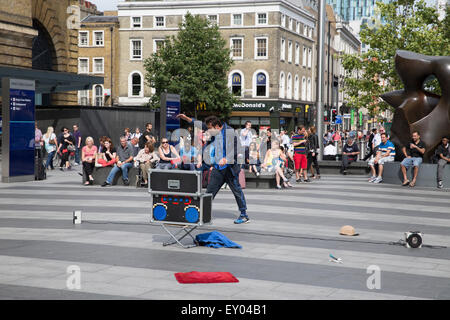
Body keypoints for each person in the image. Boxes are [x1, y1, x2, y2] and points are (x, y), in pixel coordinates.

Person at [177, 113, 249, 224]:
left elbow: (238, 149)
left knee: (237, 191)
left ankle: (244, 215)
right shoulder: (214, 129)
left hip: (230, 169)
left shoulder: (230, 133)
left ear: (216, 126)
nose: (208, 131)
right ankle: (203, 213)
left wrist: (226, 158)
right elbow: (200, 124)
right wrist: (187, 118)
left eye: (209, 129)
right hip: (218, 169)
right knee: (210, 191)